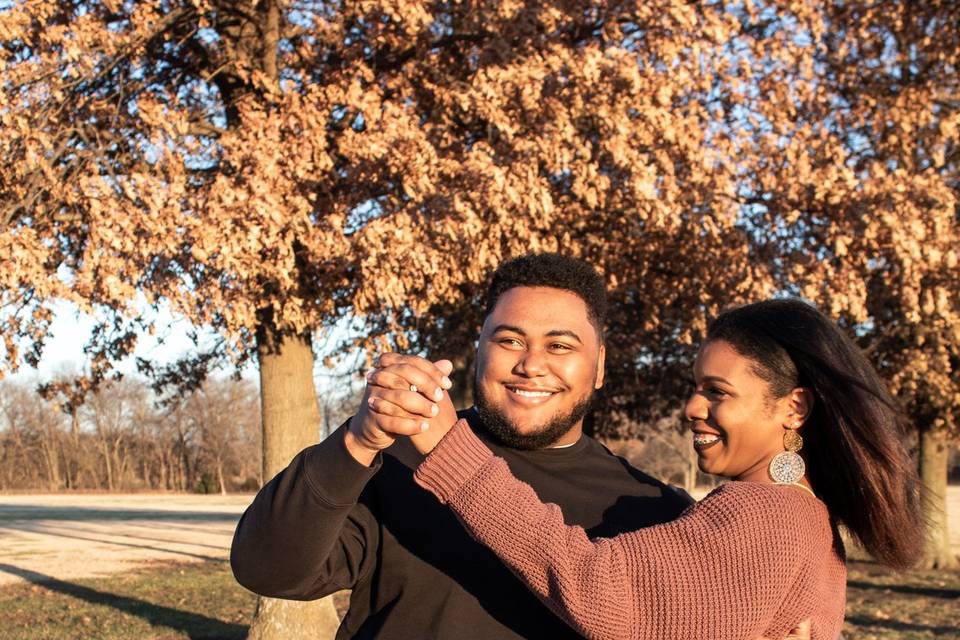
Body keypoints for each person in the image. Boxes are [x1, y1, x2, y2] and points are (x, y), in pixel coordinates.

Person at [380, 299, 923, 639]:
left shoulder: (763, 513)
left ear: (793, 408)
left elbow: (600, 589)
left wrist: (452, 450)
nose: (691, 407)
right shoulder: (807, 516)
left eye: (717, 392)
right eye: (696, 388)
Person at [230, 254, 695, 639]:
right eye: (510, 340)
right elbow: (267, 570)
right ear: (479, 352)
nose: (531, 365)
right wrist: (358, 438)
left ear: (598, 366)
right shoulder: (392, 462)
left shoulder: (653, 510)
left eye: (559, 347)